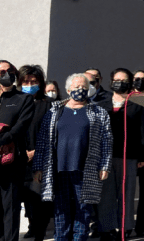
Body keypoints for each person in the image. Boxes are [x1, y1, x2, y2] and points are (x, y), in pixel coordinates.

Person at [33, 73, 113, 241]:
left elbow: (107, 140)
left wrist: (104, 165)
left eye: (84, 87)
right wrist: (38, 167)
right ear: (68, 89)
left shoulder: (99, 112)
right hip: (58, 169)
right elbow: (42, 140)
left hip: (86, 169)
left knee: (83, 209)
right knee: (61, 210)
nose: (80, 90)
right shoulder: (54, 111)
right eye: (76, 87)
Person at [97, 68, 144, 241]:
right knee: (106, 193)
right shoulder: (102, 103)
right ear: (111, 82)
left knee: (126, 192)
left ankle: (125, 227)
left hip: (128, 155)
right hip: (105, 156)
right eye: (116, 79)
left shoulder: (138, 103)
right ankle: (106, 227)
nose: (119, 82)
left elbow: (143, 131)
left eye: (123, 79)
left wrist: (142, 156)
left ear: (130, 82)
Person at [0, 60, 35, 241]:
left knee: (10, 205)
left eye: (8, 71)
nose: (4, 74)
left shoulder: (23, 99)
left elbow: (20, 127)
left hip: (11, 161)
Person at [18, 65, 55, 241]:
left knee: (40, 202)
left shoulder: (48, 104)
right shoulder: (16, 102)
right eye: (26, 81)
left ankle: (39, 234)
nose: (29, 84)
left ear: (40, 83)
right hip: (18, 160)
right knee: (26, 200)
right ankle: (32, 227)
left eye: (33, 81)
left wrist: (36, 152)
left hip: (40, 162)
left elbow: (53, 134)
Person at [131, 70, 144, 238]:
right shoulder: (128, 99)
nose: (139, 81)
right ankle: (126, 226)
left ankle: (141, 226)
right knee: (126, 193)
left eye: (143, 79)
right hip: (129, 154)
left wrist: (143, 157)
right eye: (136, 79)